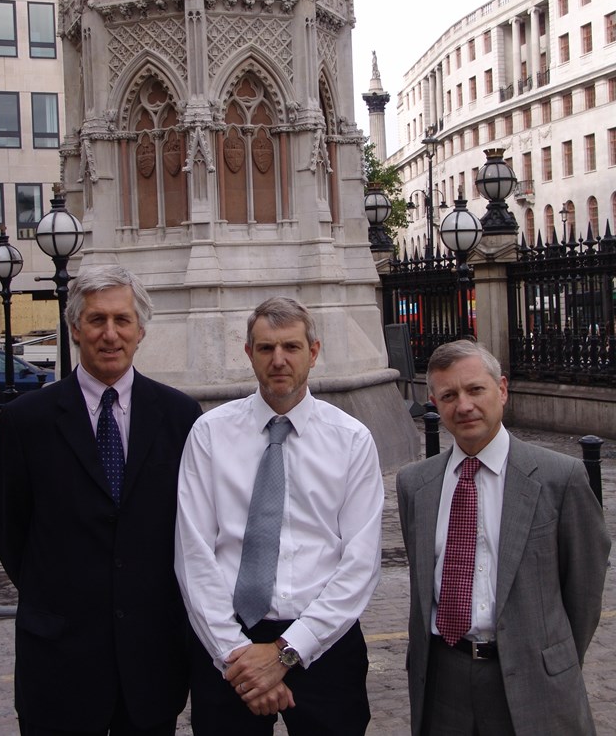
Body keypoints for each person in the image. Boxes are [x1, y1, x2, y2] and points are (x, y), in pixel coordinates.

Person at [0, 265, 203, 736]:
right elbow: (9, 529)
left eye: (122, 320)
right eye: (96, 320)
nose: (110, 334)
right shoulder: (27, 421)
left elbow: (193, 530)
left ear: (141, 329)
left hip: (150, 662)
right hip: (58, 660)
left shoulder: (181, 416)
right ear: (74, 328)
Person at [174, 296, 384, 735]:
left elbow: (360, 564)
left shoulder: (352, 441)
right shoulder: (209, 434)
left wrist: (287, 652)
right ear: (248, 353)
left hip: (324, 643)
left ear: (314, 352)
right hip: (230, 646)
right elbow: (194, 555)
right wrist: (238, 657)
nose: (279, 360)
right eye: (266, 348)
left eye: (291, 347)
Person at [396, 339, 611, 736]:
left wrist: (549, 657)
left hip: (535, 683)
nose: (463, 406)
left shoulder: (559, 477)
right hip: (444, 682)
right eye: (448, 395)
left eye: (475, 389)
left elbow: (584, 592)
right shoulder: (415, 484)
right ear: (434, 403)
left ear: (502, 390)